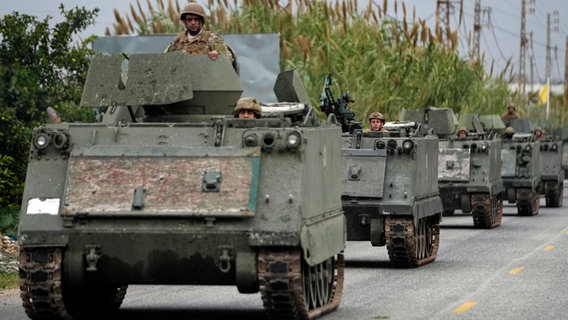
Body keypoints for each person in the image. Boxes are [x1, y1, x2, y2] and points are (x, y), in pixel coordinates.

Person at [164, 3, 233, 62]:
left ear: (201, 21)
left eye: (196, 19)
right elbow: (165, 58)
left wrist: (218, 54)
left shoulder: (212, 38)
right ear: (185, 22)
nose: (193, 23)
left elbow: (229, 58)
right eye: (189, 20)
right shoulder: (178, 40)